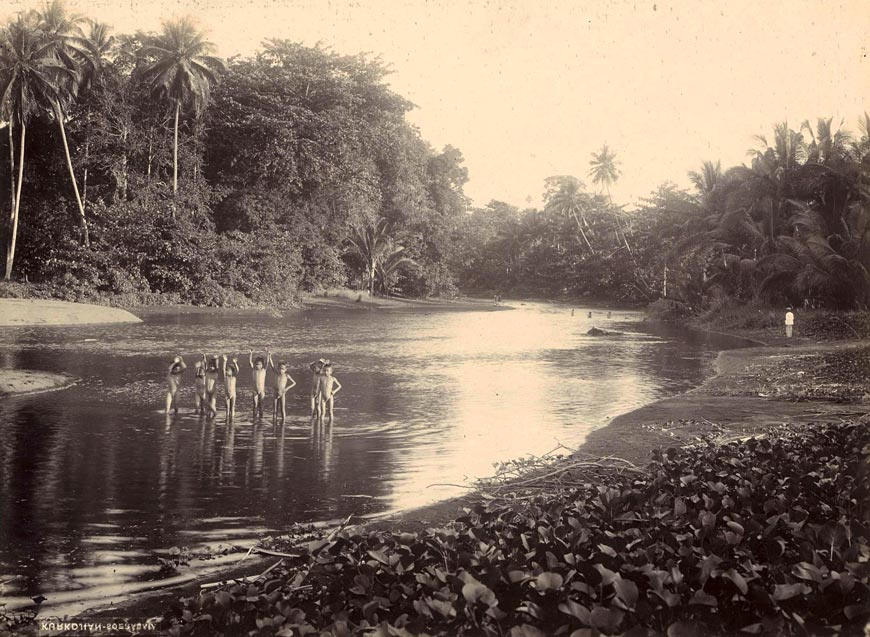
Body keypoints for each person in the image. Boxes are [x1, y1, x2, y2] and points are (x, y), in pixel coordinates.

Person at [270, 353, 296, 421]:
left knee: (282, 409)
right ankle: (274, 421)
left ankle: (283, 421)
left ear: (285, 369)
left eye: (282, 369)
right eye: (279, 368)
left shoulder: (287, 376)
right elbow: (272, 366)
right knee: (275, 409)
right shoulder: (276, 373)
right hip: (275, 392)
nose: (281, 370)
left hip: (282, 393)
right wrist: (269, 356)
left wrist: (287, 388)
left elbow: (294, 383)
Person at [249, 350, 268, 417]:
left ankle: (261, 416)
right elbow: (250, 362)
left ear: (262, 365)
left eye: (259, 364)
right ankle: (254, 417)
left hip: (261, 390)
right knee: (255, 405)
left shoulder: (263, 370)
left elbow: (267, 362)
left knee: (261, 405)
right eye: (256, 364)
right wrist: (251, 354)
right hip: (255, 390)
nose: (257, 366)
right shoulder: (254, 370)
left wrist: (267, 353)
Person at [222, 354, 240, 420]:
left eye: (228, 370)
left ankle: (232, 418)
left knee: (232, 407)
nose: (226, 372)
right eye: (226, 370)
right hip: (227, 394)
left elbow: (237, 370)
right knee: (227, 407)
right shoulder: (225, 377)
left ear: (232, 372)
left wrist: (235, 363)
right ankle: (227, 417)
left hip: (233, 394)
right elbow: (223, 369)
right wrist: (225, 361)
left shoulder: (234, 377)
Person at [203, 354, 220, 418]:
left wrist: (216, 359)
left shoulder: (216, 372)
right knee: (207, 405)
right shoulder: (207, 372)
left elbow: (217, 366)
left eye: (212, 366)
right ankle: (208, 417)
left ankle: (215, 415)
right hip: (207, 391)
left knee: (212, 405)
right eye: (210, 366)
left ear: (214, 367)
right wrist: (204, 357)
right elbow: (205, 363)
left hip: (213, 392)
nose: (211, 367)